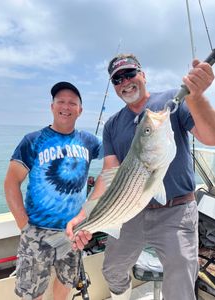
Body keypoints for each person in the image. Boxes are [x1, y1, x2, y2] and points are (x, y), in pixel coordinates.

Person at [66, 54, 215, 300]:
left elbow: (210, 137)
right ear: (114, 87)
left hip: (176, 210)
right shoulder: (112, 125)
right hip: (131, 211)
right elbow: (108, 173)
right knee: (112, 268)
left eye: (130, 73)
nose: (125, 82)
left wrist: (197, 96)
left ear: (142, 75)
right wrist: (85, 216)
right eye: (117, 79)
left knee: (181, 277)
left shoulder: (171, 100)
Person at [4, 81, 102, 300]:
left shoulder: (89, 141)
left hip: (73, 231)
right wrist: (24, 225)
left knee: (66, 283)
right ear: (52, 106)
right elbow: (11, 184)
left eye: (72, 103)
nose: (65, 107)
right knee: (31, 292)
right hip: (37, 230)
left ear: (80, 110)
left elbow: (117, 154)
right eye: (60, 101)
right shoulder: (32, 141)